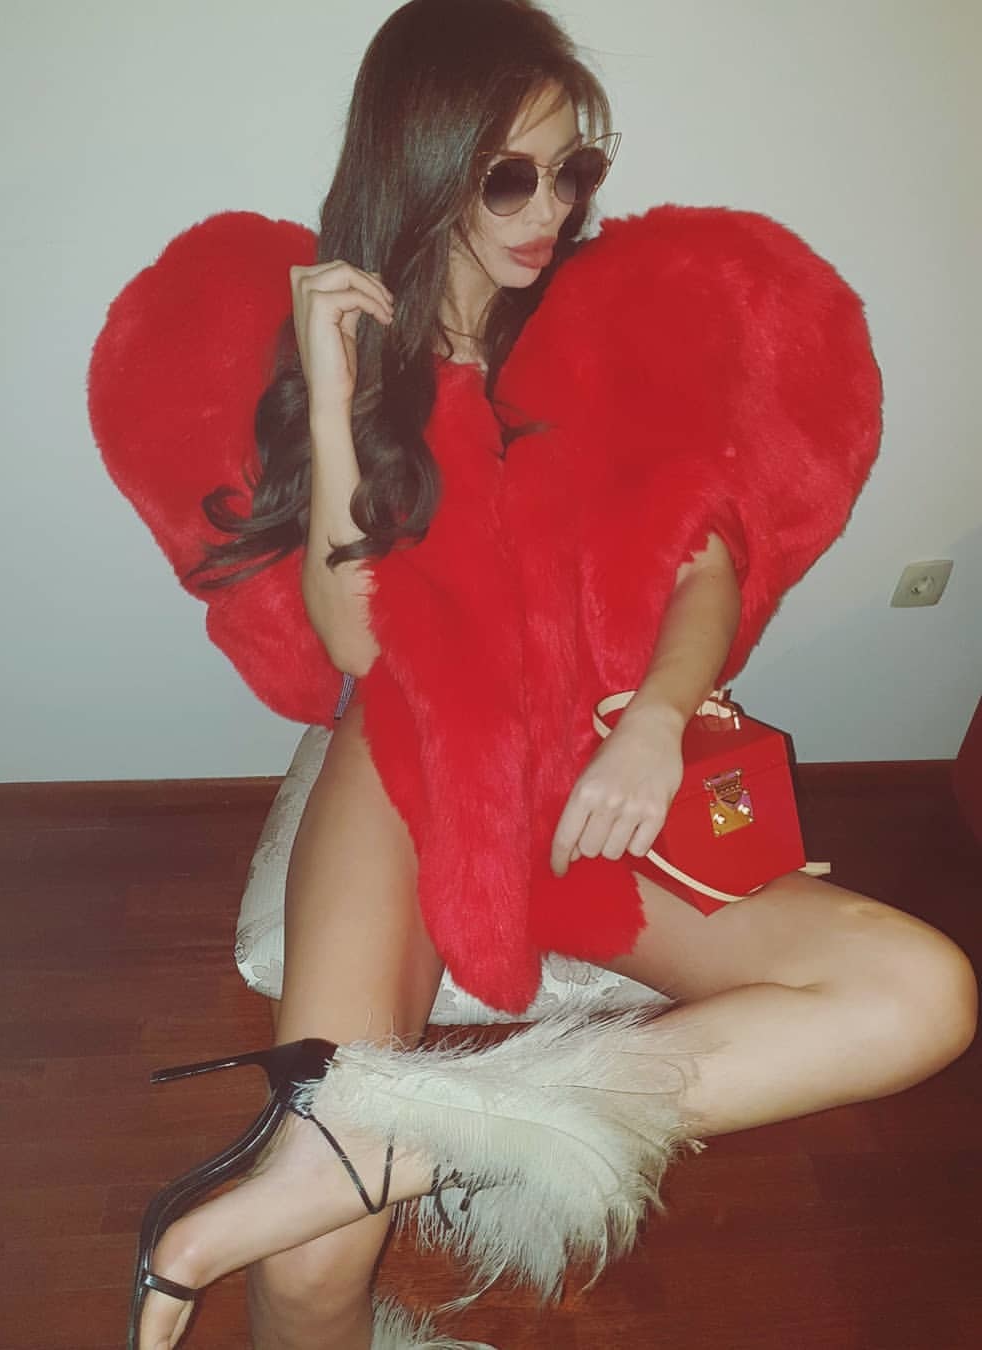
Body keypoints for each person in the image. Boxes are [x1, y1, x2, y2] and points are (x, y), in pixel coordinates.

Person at [88, 2, 978, 1347]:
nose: (551, 209)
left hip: (586, 757)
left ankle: (401, 1145)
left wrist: (657, 723)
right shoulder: (354, 356)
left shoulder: (609, 317)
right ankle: (343, 1178)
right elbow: (356, 646)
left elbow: (705, 563)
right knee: (319, 1268)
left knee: (923, 993)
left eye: (574, 169)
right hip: (411, 756)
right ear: (423, 165)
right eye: (511, 175)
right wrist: (333, 396)